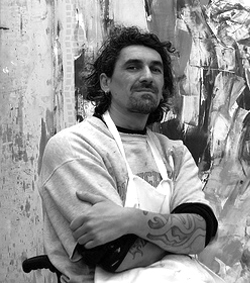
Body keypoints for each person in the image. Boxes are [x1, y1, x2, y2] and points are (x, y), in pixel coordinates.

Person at [39, 25, 221, 282]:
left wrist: (131, 220)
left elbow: (203, 229)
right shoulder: (75, 146)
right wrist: (182, 237)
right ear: (106, 83)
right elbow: (115, 255)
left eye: (156, 69)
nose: (147, 76)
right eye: (133, 67)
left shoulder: (174, 153)